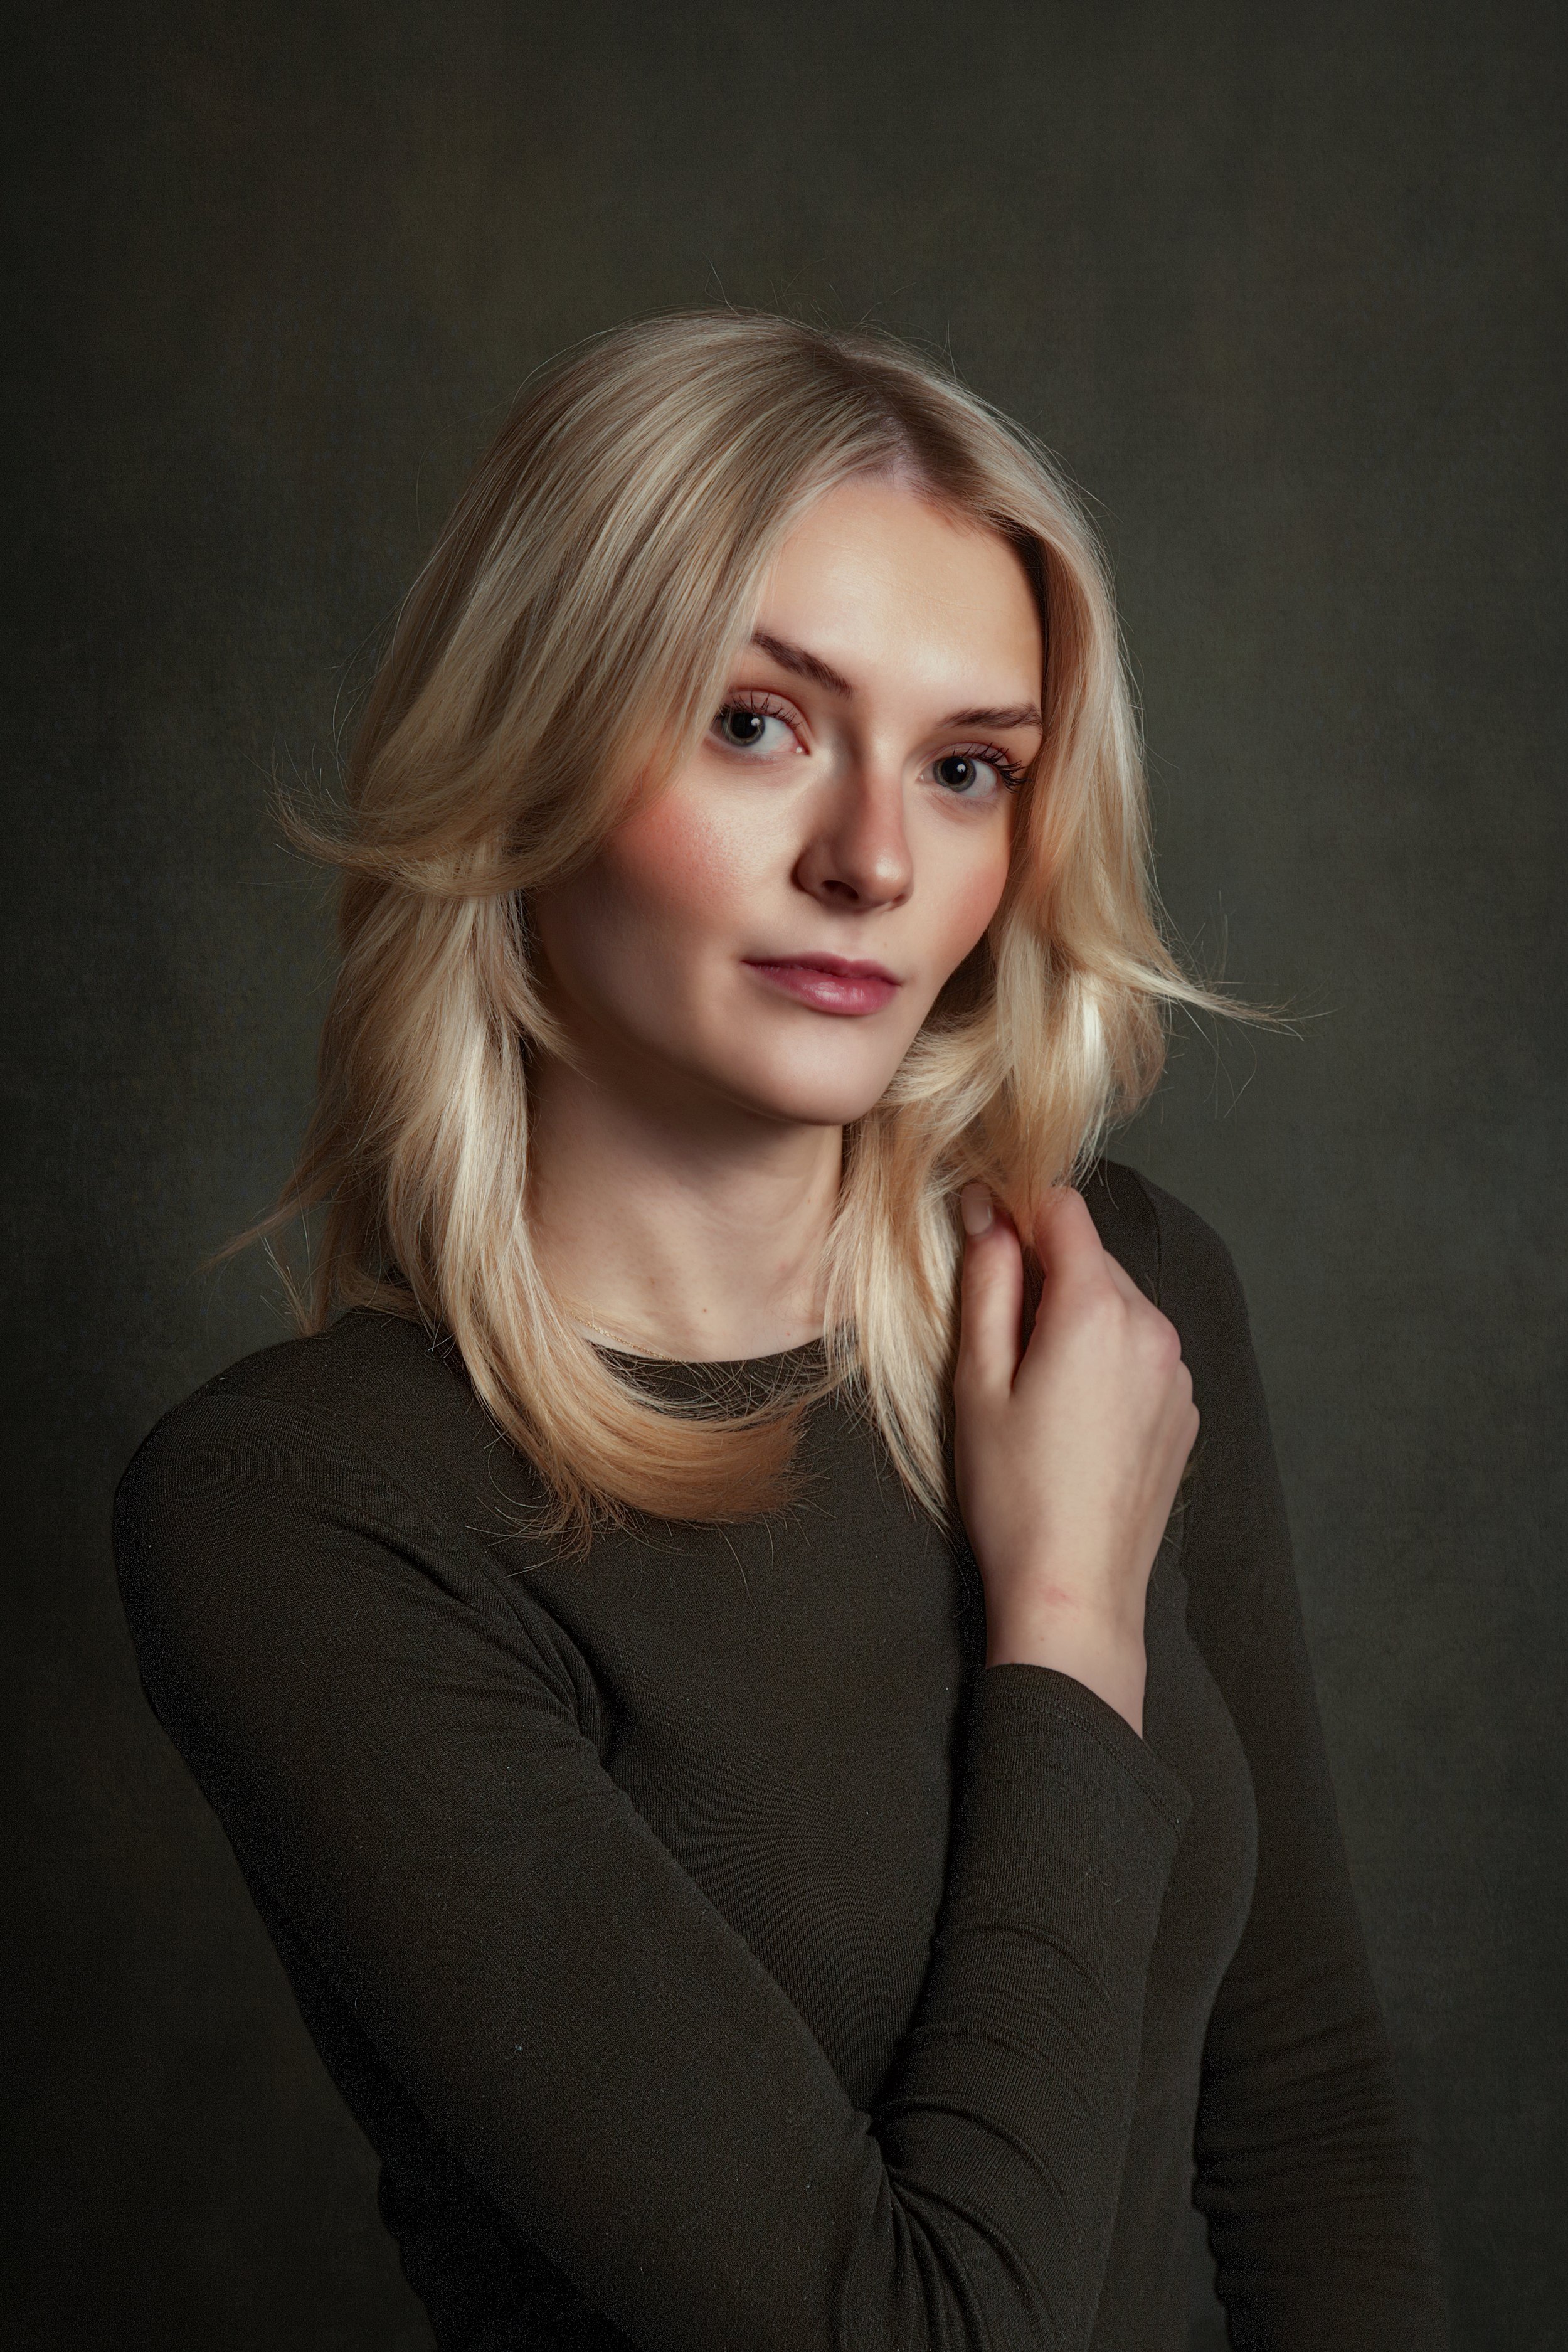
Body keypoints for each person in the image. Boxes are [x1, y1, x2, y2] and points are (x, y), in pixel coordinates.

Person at [113, 311, 1447, 2350]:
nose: (875, 863)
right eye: (756, 721)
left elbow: (1300, 2109)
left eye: (968, 767)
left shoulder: (1115, 1297)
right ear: (533, 742)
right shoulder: (307, 1510)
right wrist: (1068, 1612)